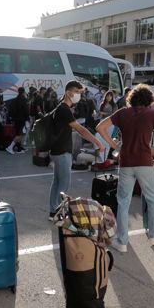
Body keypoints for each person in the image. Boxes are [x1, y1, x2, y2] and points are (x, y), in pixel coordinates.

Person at [97, 85, 154, 251]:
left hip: (126, 163)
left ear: (132, 98)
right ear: (149, 100)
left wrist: (115, 146)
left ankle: (122, 241)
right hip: (145, 162)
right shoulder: (152, 114)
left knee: (123, 202)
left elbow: (100, 127)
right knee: (152, 199)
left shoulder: (122, 112)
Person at [48, 81, 103, 219]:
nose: (79, 95)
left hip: (57, 151)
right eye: (77, 92)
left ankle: (53, 211)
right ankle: (59, 213)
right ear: (68, 93)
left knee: (57, 182)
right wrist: (97, 142)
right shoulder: (64, 109)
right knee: (64, 184)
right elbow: (81, 129)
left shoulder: (60, 108)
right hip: (62, 152)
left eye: (80, 92)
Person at [7, 87, 30, 153]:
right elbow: (26, 110)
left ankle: (19, 148)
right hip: (22, 119)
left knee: (19, 133)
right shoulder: (24, 99)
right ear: (23, 92)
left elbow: (11, 109)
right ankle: (10, 147)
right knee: (20, 134)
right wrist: (27, 118)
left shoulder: (15, 99)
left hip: (16, 119)